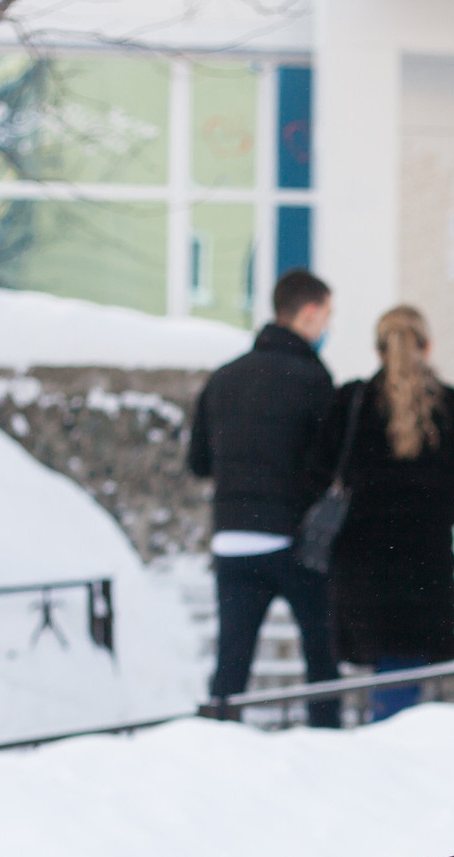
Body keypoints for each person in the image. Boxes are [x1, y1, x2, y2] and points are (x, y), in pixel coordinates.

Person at [302, 305, 454, 722]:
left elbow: (317, 471)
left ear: (378, 348)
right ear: (428, 345)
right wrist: (432, 514)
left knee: (383, 668)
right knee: (404, 671)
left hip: (362, 561)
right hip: (424, 562)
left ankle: (383, 745)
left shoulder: (353, 401)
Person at [187, 269, 340, 727]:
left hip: (232, 540)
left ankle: (215, 741)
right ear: (309, 312)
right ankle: (327, 740)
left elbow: (198, 462)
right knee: (321, 653)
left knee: (231, 662)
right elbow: (325, 464)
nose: (327, 326)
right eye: (328, 315)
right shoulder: (313, 379)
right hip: (290, 540)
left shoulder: (223, 379)